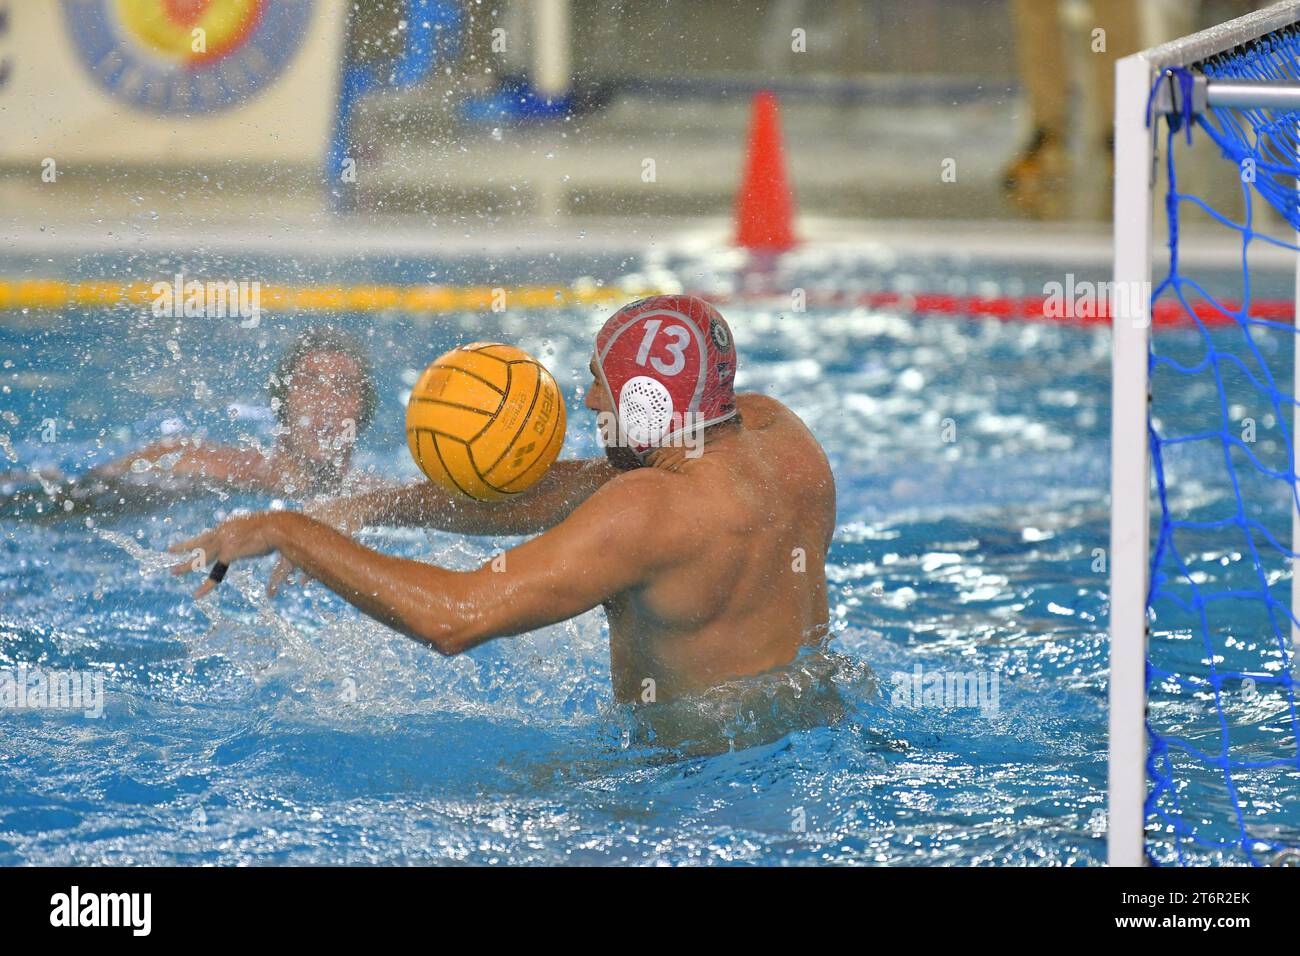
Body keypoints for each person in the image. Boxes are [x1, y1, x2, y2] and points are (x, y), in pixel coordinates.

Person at [170, 296, 836, 705]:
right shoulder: (782, 441)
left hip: (683, 787)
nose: (589, 402)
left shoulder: (648, 513)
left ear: (647, 404)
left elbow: (455, 619)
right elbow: (571, 489)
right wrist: (376, 507)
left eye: (601, 385)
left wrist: (291, 532)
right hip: (811, 718)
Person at [93, 326, 376, 499]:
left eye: (345, 387)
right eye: (308, 384)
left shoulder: (376, 498)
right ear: (282, 401)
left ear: (364, 409)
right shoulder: (198, 463)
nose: (326, 402)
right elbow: (78, 494)